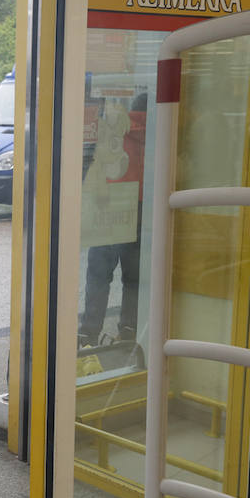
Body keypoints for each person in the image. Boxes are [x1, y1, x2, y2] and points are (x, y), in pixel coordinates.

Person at [78, 93, 147, 348]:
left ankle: (88, 333)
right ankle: (128, 332)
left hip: (109, 207)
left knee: (99, 274)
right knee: (133, 278)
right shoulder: (161, 133)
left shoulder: (117, 128)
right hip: (141, 208)